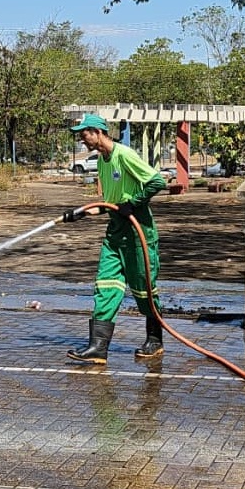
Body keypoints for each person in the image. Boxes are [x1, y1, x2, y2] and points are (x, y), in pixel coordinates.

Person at [62, 113, 168, 363]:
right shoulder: (102, 161)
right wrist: (80, 213)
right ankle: (98, 348)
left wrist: (133, 203)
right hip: (115, 233)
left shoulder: (124, 155)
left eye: (84, 134)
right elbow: (108, 204)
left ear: (99, 132)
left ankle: (154, 340)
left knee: (144, 291)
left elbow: (157, 181)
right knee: (105, 286)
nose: (82, 140)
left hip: (138, 231)